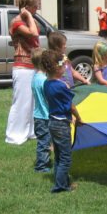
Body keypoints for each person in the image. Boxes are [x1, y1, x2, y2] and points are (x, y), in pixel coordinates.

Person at [42, 49, 84, 193]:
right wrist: (78, 118)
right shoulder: (61, 86)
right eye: (63, 66)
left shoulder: (46, 84)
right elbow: (71, 105)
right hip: (61, 125)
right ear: (57, 68)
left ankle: (63, 182)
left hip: (53, 122)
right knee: (66, 157)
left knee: (59, 156)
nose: (65, 69)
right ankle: (60, 186)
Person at [5, 0, 40, 145]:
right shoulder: (17, 22)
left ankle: (29, 131)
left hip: (32, 66)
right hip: (22, 67)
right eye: (33, 6)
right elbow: (34, 33)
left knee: (32, 102)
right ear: (26, 7)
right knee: (21, 102)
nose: (36, 9)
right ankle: (14, 135)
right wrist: (28, 15)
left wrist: (30, 16)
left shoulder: (28, 21)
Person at [31, 48, 51, 173]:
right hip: (44, 116)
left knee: (44, 141)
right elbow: (48, 98)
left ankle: (45, 162)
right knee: (44, 142)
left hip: (39, 115)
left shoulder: (35, 77)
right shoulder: (43, 80)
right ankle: (41, 166)